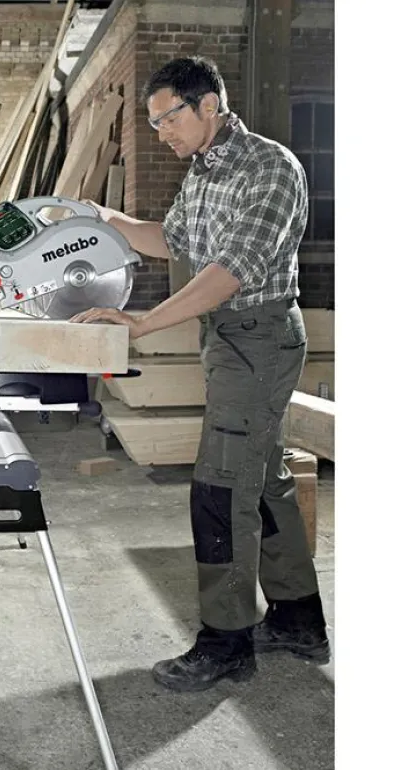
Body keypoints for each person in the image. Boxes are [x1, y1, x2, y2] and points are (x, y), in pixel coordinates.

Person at [71, 56, 330, 692]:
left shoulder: (269, 168)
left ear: (208, 105)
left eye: (169, 119)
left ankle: (226, 642)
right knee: (263, 480)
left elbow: (229, 272)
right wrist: (104, 221)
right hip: (229, 339)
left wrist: (143, 323)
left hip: (260, 338)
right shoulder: (205, 170)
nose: (162, 133)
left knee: (220, 488)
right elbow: (174, 240)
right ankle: (299, 621)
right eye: (155, 123)